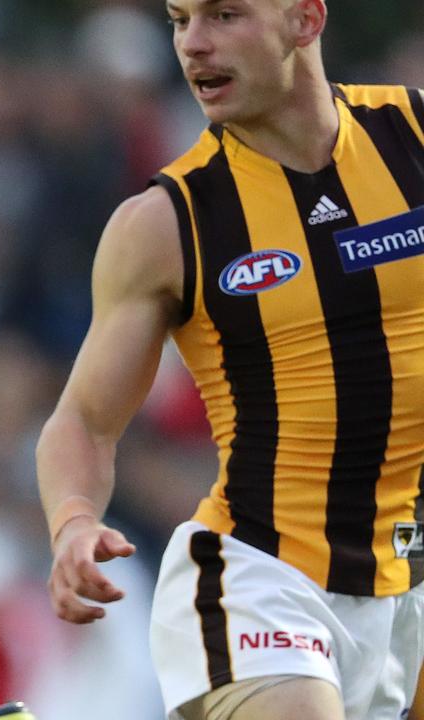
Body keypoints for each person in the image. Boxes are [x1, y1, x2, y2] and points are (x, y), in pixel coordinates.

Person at [36, 1, 424, 719]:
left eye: (223, 15)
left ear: (305, 20)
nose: (194, 45)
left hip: (408, 585)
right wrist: (74, 522)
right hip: (258, 578)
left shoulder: (413, 133)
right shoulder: (166, 221)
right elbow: (83, 421)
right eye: (180, 20)